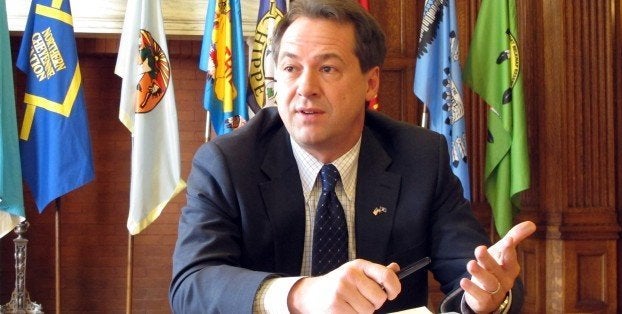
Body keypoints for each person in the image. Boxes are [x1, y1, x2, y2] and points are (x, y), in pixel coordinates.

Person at [169, 0, 536, 313]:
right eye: (291, 68)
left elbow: (473, 272)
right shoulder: (228, 162)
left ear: (371, 83)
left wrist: (489, 295)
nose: (306, 88)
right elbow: (192, 284)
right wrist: (300, 294)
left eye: (327, 69)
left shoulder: (421, 158)